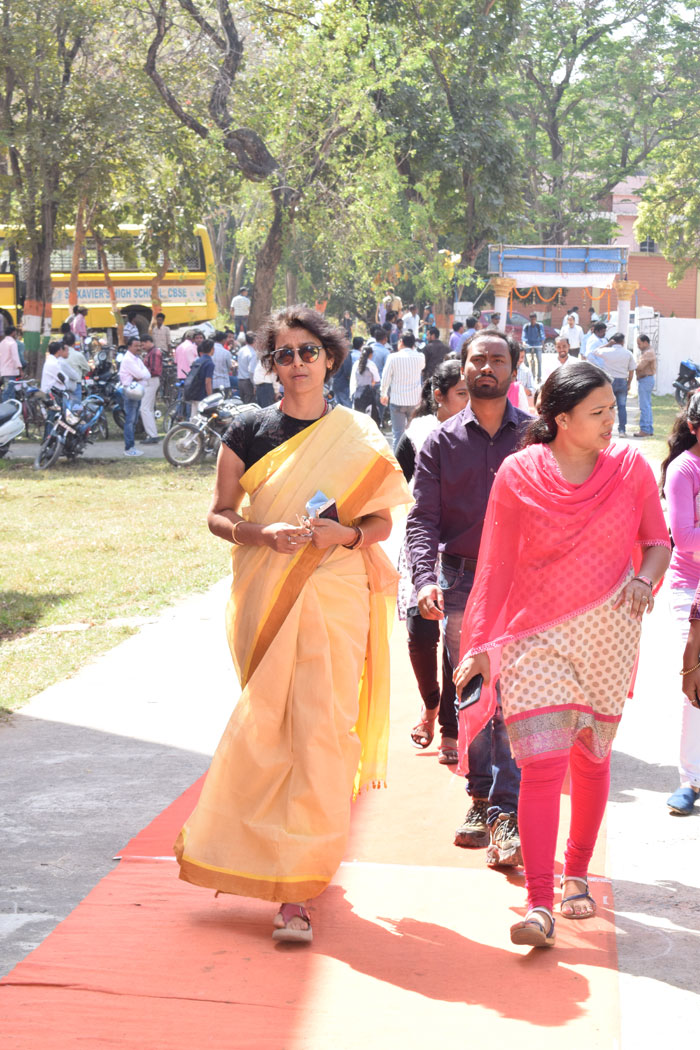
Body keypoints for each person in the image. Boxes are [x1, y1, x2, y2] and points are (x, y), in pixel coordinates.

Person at [174, 305, 410, 944]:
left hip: (337, 593)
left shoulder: (359, 434)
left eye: (309, 351)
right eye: (285, 353)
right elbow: (219, 515)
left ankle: (298, 888)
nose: (298, 363)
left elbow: (386, 522)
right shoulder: (247, 429)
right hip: (266, 592)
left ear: (330, 358)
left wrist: (349, 534)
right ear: (270, 362)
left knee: (323, 733)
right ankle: (247, 855)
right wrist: (261, 533)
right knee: (268, 731)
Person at [454, 361, 670, 948]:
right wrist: (480, 644)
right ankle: (540, 902)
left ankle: (578, 872)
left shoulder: (629, 469)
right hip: (536, 639)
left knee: (591, 758)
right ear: (561, 418)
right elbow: (496, 563)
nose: (611, 421)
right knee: (542, 765)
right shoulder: (519, 473)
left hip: (609, 633)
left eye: (613, 408)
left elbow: (657, 542)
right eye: (598, 412)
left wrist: (645, 582)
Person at [406, 330, 530, 866]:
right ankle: (479, 800)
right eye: (478, 358)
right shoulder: (439, 441)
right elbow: (422, 519)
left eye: (497, 359)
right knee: (476, 696)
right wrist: (423, 578)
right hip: (459, 583)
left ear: (513, 370)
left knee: (516, 699)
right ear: (462, 368)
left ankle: (508, 814)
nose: (486, 366)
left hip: (524, 586)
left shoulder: (537, 436)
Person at [395, 361, 469, 765]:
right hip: (422, 546)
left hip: (462, 549)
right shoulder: (418, 432)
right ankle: (431, 701)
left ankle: (450, 729)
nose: (469, 401)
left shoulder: (480, 431)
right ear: (438, 396)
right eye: (461, 393)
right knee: (421, 635)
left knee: (455, 639)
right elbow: (391, 484)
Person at [659, 395, 700, 815]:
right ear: (693, 427)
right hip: (691, 590)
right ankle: (690, 779)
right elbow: (684, 540)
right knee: (696, 681)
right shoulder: (683, 469)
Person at [380, 331, 425, 450]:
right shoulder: (420, 357)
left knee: (398, 435)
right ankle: (414, 461)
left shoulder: (393, 357)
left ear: (401, 342)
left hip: (397, 400)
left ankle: (398, 464)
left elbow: (385, 378)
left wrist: (383, 394)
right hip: (415, 401)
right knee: (413, 434)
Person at [598, 332, 635, 436]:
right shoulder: (628, 353)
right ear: (623, 342)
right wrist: (629, 383)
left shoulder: (607, 351)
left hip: (609, 382)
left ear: (613, 341)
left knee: (606, 407)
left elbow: (594, 351)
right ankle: (622, 430)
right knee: (622, 407)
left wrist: (608, 344)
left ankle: (605, 429)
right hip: (623, 381)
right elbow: (632, 369)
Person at [119, 336, 151, 457]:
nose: (139, 348)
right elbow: (140, 373)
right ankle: (129, 448)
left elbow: (146, 374)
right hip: (131, 392)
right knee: (130, 421)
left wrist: (141, 375)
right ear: (129, 347)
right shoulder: (128, 359)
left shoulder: (136, 359)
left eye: (139, 345)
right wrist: (140, 375)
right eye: (136, 346)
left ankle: (131, 446)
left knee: (133, 420)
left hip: (137, 392)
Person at [140, 334, 162, 445]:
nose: (142, 346)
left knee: (144, 408)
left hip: (151, 380)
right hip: (151, 381)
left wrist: (141, 374)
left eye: (143, 344)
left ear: (148, 342)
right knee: (148, 408)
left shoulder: (154, 353)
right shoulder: (152, 352)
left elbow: (154, 370)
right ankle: (153, 433)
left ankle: (152, 435)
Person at [350, 343, 380, 425]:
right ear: (370, 354)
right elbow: (377, 379)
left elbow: (353, 380)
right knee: (370, 416)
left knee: (358, 416)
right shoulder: (371, 364)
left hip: (357, 393)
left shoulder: (356, 364)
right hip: (368, 392)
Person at [186, 338, 215, 416]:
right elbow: (207, 382)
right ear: (212, 349)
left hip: (194, 393)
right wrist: (211, 398)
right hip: (203, 396)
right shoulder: (209, 363)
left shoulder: (198, 361)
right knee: (202, 420)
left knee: (193, 419)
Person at [634, 334, 656, 437]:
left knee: (644, 406)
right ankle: (649, 429)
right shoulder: (647, 352)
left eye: (639, 343)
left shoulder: (648, 353)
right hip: (646, 379)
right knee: (647, 405)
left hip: (646, 379)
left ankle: (645, 429)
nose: (638, 346)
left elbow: (639, 366)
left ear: (645, 342)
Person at [0, 325, 23, 402]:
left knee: (10, 391)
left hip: (3, 371)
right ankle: (6, 410)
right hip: (10, 371)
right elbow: (15, 358)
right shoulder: (13, 343)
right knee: (8, 392)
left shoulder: (2, 342)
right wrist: (20, 370)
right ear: (13, 333)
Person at [521, 312, 545, 382]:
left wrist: (542, 343)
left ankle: (539, 377)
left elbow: (542, 334)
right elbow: (524, 335)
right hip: (528, 344)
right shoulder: (526, 326)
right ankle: (527, 374)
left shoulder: (539, 325)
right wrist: (524, 342)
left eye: (534, 319)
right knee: (526, 360)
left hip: (538, 344)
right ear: (529, 319)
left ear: (536, 319)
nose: (533, 321)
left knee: (539, 360)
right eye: (531, 319)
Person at [236, 332, 257, 404]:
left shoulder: (241, 350)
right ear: (254, 341)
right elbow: (251, 371)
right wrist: (254, 385)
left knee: (242, 403)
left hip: (240, 381)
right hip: (248, 382)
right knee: (249, 405)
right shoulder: (253, 353)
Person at [212, 331, 234, 396]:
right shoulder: (226, 353)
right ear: (224, 340)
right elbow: (230, 367)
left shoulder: (209, 351)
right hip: (224, 383)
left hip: (212, 384)